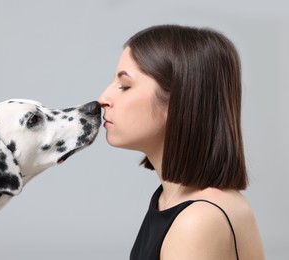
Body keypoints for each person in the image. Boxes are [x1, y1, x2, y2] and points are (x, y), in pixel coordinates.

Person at [98, 24, 265, 260]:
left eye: (125, 86)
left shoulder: (198, 220)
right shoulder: (170, 200)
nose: (103, 98)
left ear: (178, 102)